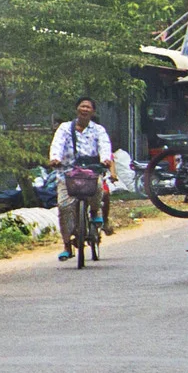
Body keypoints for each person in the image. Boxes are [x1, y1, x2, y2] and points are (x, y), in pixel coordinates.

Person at [47, 96, 116, 261]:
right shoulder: (64, 128)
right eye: (82, 106)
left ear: (93, 111)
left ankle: (94, 212)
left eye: (88, 107)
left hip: (91, 171)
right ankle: (66, 245)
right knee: (64, 207)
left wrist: (105, 159)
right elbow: (57, 144)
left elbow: (105, 145)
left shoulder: (98, 130)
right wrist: (55, 158)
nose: (85, 109)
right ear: (77, 109)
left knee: (98, 187)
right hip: (67, 173)